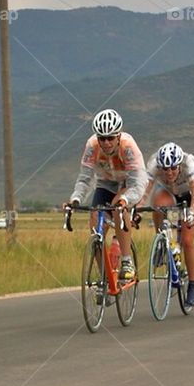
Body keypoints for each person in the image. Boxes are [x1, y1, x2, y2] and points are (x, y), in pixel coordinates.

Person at [65, 109, 148, 282]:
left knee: (118, 205)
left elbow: (138, 183)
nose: (106, 142)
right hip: (105, 183)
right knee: (95, 224)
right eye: (102, 138)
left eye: (110, 138)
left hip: (128, 183)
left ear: (118, 136)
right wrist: (76, 198)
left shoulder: (128, 146)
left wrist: (126, 199)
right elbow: (85, 178)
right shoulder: (92, 146)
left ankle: (127, 261)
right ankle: (105, 277)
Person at [137, 142, 194, 306]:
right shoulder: (154, 164)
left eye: (173, 168)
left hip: (189, 195)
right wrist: (137, 209)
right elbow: (144, 190)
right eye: (165, 169)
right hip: (169, 192)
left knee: (188, 240)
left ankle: (192, 284)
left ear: (179, 165)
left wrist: (193, 213)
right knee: (158, 205)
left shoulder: (190, 164)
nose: (169, 172)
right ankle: (161, 241)